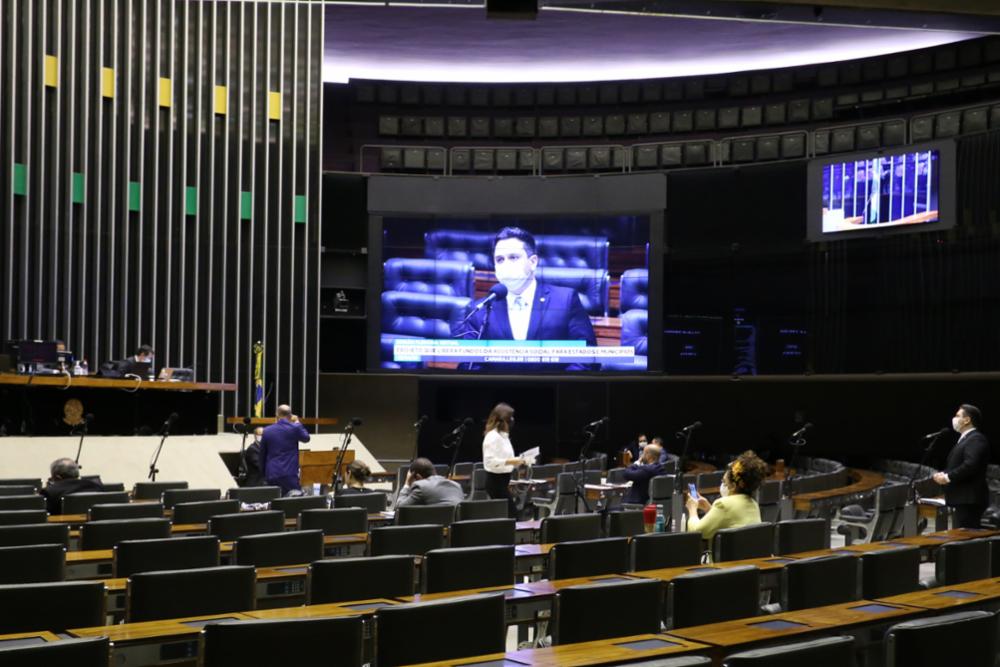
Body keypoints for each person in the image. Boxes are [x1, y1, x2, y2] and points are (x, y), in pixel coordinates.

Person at [453, 227, 597, 371]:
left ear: (533, 262)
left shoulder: (565, 300)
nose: (506, 265)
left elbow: (586, 356)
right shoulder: (481, 309)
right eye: (500, 259)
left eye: (513, 257)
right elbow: (469, 364)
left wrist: (559, 386)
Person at [685, 450, 766, 544]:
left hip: (725, 559)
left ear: (734, 486)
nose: (723, 485)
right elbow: (727, 521)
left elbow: (697, 533)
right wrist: (708, 508)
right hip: (749, 558)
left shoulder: (723, 504)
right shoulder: (753, 504)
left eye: (724, 482)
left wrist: (692, 510)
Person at [933, 404, 991, 529]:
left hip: (969, 499)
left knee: (967, 540)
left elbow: (970, 465)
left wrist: (948, 477)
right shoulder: (965, 439)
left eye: (957, 415)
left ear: (967, 420)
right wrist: (943, 474)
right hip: (962, 498)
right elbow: (958, 464)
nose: (954, 418)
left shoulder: (976, 439)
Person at [482, 402, 531, 517]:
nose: (512, 420)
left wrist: (521, 460)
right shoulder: (492, 436)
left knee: (509, 516)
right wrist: (512, 461)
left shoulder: (503, 436)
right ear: (502, 420)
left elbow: (506, 458)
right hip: (495, 482)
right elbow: (490, 462)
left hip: (504, 481)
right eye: (509, 418)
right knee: (512, 516)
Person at [259, 404, 311, 496]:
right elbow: (306, 438)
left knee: (274, 503)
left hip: (272, 473)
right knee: (292, 503)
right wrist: (297, 422)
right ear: (291, 415)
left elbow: (262, 454)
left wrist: (264, 474)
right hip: (289, 473)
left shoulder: (267, 430)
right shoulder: (295, 428)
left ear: (276, 415)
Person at [395, 457, 464, 507]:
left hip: (433, 526)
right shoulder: (457, 485)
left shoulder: (421, 487)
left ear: (418, 477)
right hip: (452, 526)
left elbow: (399, 507)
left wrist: (407, 483)